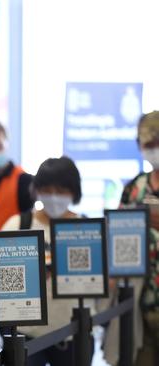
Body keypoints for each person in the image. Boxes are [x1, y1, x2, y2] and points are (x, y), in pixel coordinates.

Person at [2, 156, 93, 366]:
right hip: (26, 333)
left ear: (74, 191)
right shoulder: (18, 225)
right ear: (38, 189)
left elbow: (102, 279)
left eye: (61, 190)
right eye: (48, 190)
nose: (54, 197)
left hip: (74, 331)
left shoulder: (87, 229)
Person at [116, 110, 159, 366]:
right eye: (148, 145)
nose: (154, 150)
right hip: (140, 301)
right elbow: (117, 236)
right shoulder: (134, 188)